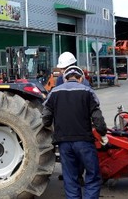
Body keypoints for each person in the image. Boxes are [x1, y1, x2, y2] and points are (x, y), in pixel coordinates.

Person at [42, 65, 108, 199]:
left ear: (65, 79)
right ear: (81, 79)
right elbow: (97, 118)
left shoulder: (54, 92)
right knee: (92, 175)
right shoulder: (88, 91)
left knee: (70, 178)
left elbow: (46, 118)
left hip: (64, 144)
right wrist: (103, 134)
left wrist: (49, 125)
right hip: (84, 142)